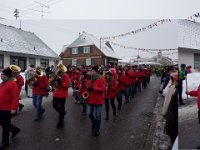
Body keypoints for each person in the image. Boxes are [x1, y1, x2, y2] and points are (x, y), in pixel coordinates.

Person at [0, 67, 21, 149]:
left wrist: (14, 108)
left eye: (3, 74)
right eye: (1, 74)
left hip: (7, 109)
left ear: (7, 76)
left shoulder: (12, 84)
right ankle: (15, 130)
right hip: (1, 107)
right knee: (4, 123)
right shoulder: (2, 83)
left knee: (5, 126)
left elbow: (15, 97)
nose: (1, 75)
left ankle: (5, 142)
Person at [87, 65, 106, 137]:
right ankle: (94, 123)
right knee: (89, 114)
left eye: (94, 71)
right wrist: (88, 88)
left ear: (97, 72)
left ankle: (97, 130)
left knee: (98, 116)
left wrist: (94, 88)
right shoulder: (90, 79)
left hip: (98, 100)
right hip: (91, 99)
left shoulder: (101, 78)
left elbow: (103, 89)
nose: (92, 72)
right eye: (92, 71)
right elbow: (88, 87)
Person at [162, 72, 178, 145]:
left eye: (174, 80)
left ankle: (174, 144)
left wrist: (165, 113)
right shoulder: (173, 87)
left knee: (173, 132)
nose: (173, 81)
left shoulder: (173, 88)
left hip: (173, 115)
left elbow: (167, 102)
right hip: (172, 114)